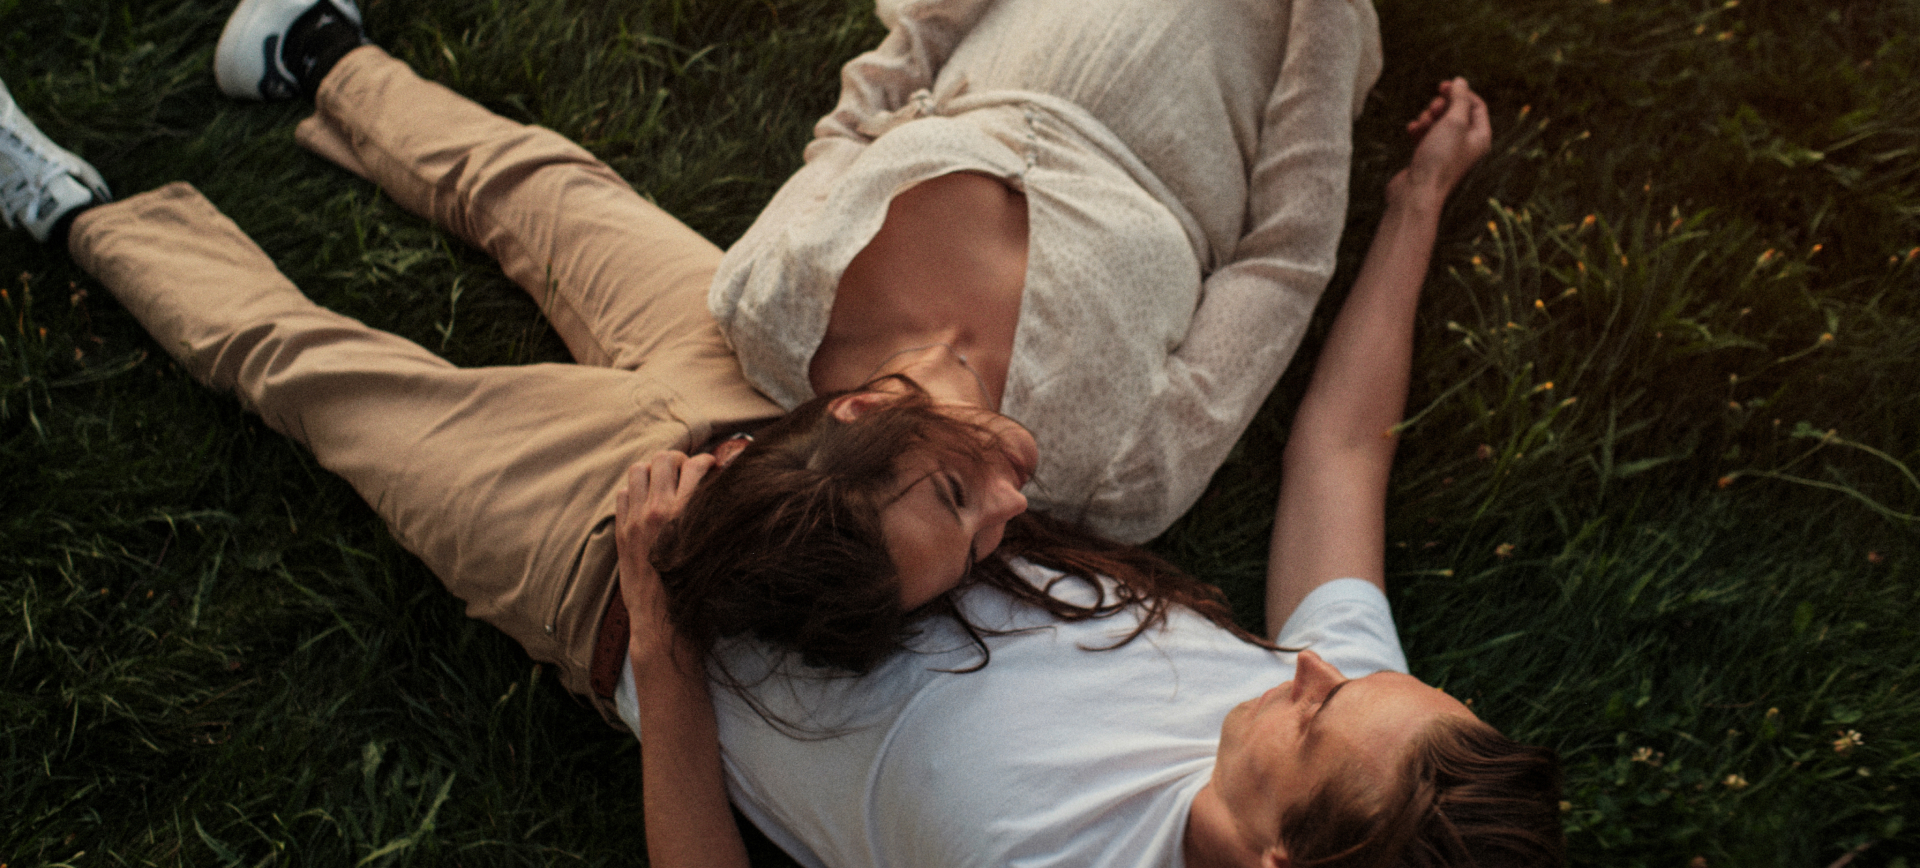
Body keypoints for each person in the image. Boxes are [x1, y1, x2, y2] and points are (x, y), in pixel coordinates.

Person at [5, 0, 1388, 715]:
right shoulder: (802, 316)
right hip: (753, 386)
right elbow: (1280, 254)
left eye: (964, 511)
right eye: (971, 516)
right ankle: (318, 58)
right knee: (541, 192)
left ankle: (78, 207)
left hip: (722, 431)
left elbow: (875, 104)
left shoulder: (793, 315)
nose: (1023, 509)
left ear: (856, 415)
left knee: (370, 347)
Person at [611, 76, 1567, 867]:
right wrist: (1417, 203)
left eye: (1319, 716)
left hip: (623, 587)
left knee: (453, 403)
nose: (1315, 667)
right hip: (812, 436)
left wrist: (661, 636)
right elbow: (1344, 450)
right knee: (516, 174)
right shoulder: (1374, 747)